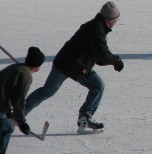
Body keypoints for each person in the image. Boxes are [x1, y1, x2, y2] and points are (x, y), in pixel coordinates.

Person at [25, 1, 124, 130]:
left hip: (73, 65)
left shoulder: (97, 26)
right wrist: (116, 61)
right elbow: (103, 56)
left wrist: (108, 60)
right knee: (49, 91)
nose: (116, 22)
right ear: (111, 20)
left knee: (96, 86)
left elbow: (98, 56)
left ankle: (84, 120)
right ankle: (17, 115)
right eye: (117, 19)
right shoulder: (97, 29)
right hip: (68, 65)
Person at [0, 47, 45, 154]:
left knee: (7, 127)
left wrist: (9, 112)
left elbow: (2, 85)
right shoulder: (25, 76)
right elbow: (19, 101)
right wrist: (22, 122)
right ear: (38, 66)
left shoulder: (15, 67)